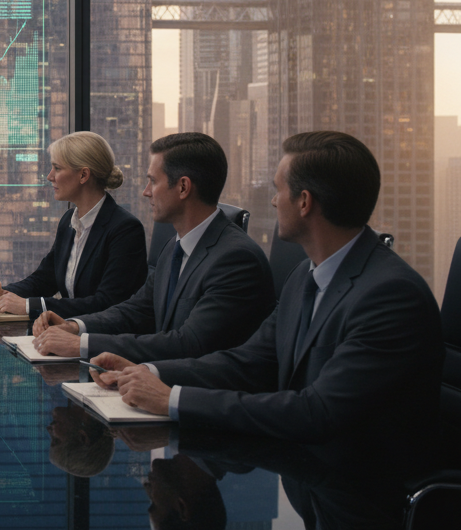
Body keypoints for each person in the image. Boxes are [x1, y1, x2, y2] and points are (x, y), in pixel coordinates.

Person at [89, 131, 444, 447]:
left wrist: (172, 400)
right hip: (304, 474)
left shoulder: (390, 296)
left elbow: (316, 411)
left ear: (304, 202)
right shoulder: (305, 276)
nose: (273, 202)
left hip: (359, 497)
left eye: (278, 190)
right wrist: (150, 373)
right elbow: (247, 361)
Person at [30, 132, 276, 362]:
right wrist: (74, 327)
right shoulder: (174, 247)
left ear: (183, 187)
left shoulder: (236, 259)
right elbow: (136, 310)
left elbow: (189, 344)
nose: (146, 192)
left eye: (153, 181)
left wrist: (80, 345)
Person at [0, 131, 147, 318]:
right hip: (66, 334)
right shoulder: (69, 221)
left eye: (57, 168)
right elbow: (44, 279)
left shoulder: (125, 230)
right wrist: (4, 293)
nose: (50, 176)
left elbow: (106, 303)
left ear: (83, 175)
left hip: (100, 342)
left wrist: (29, 306)